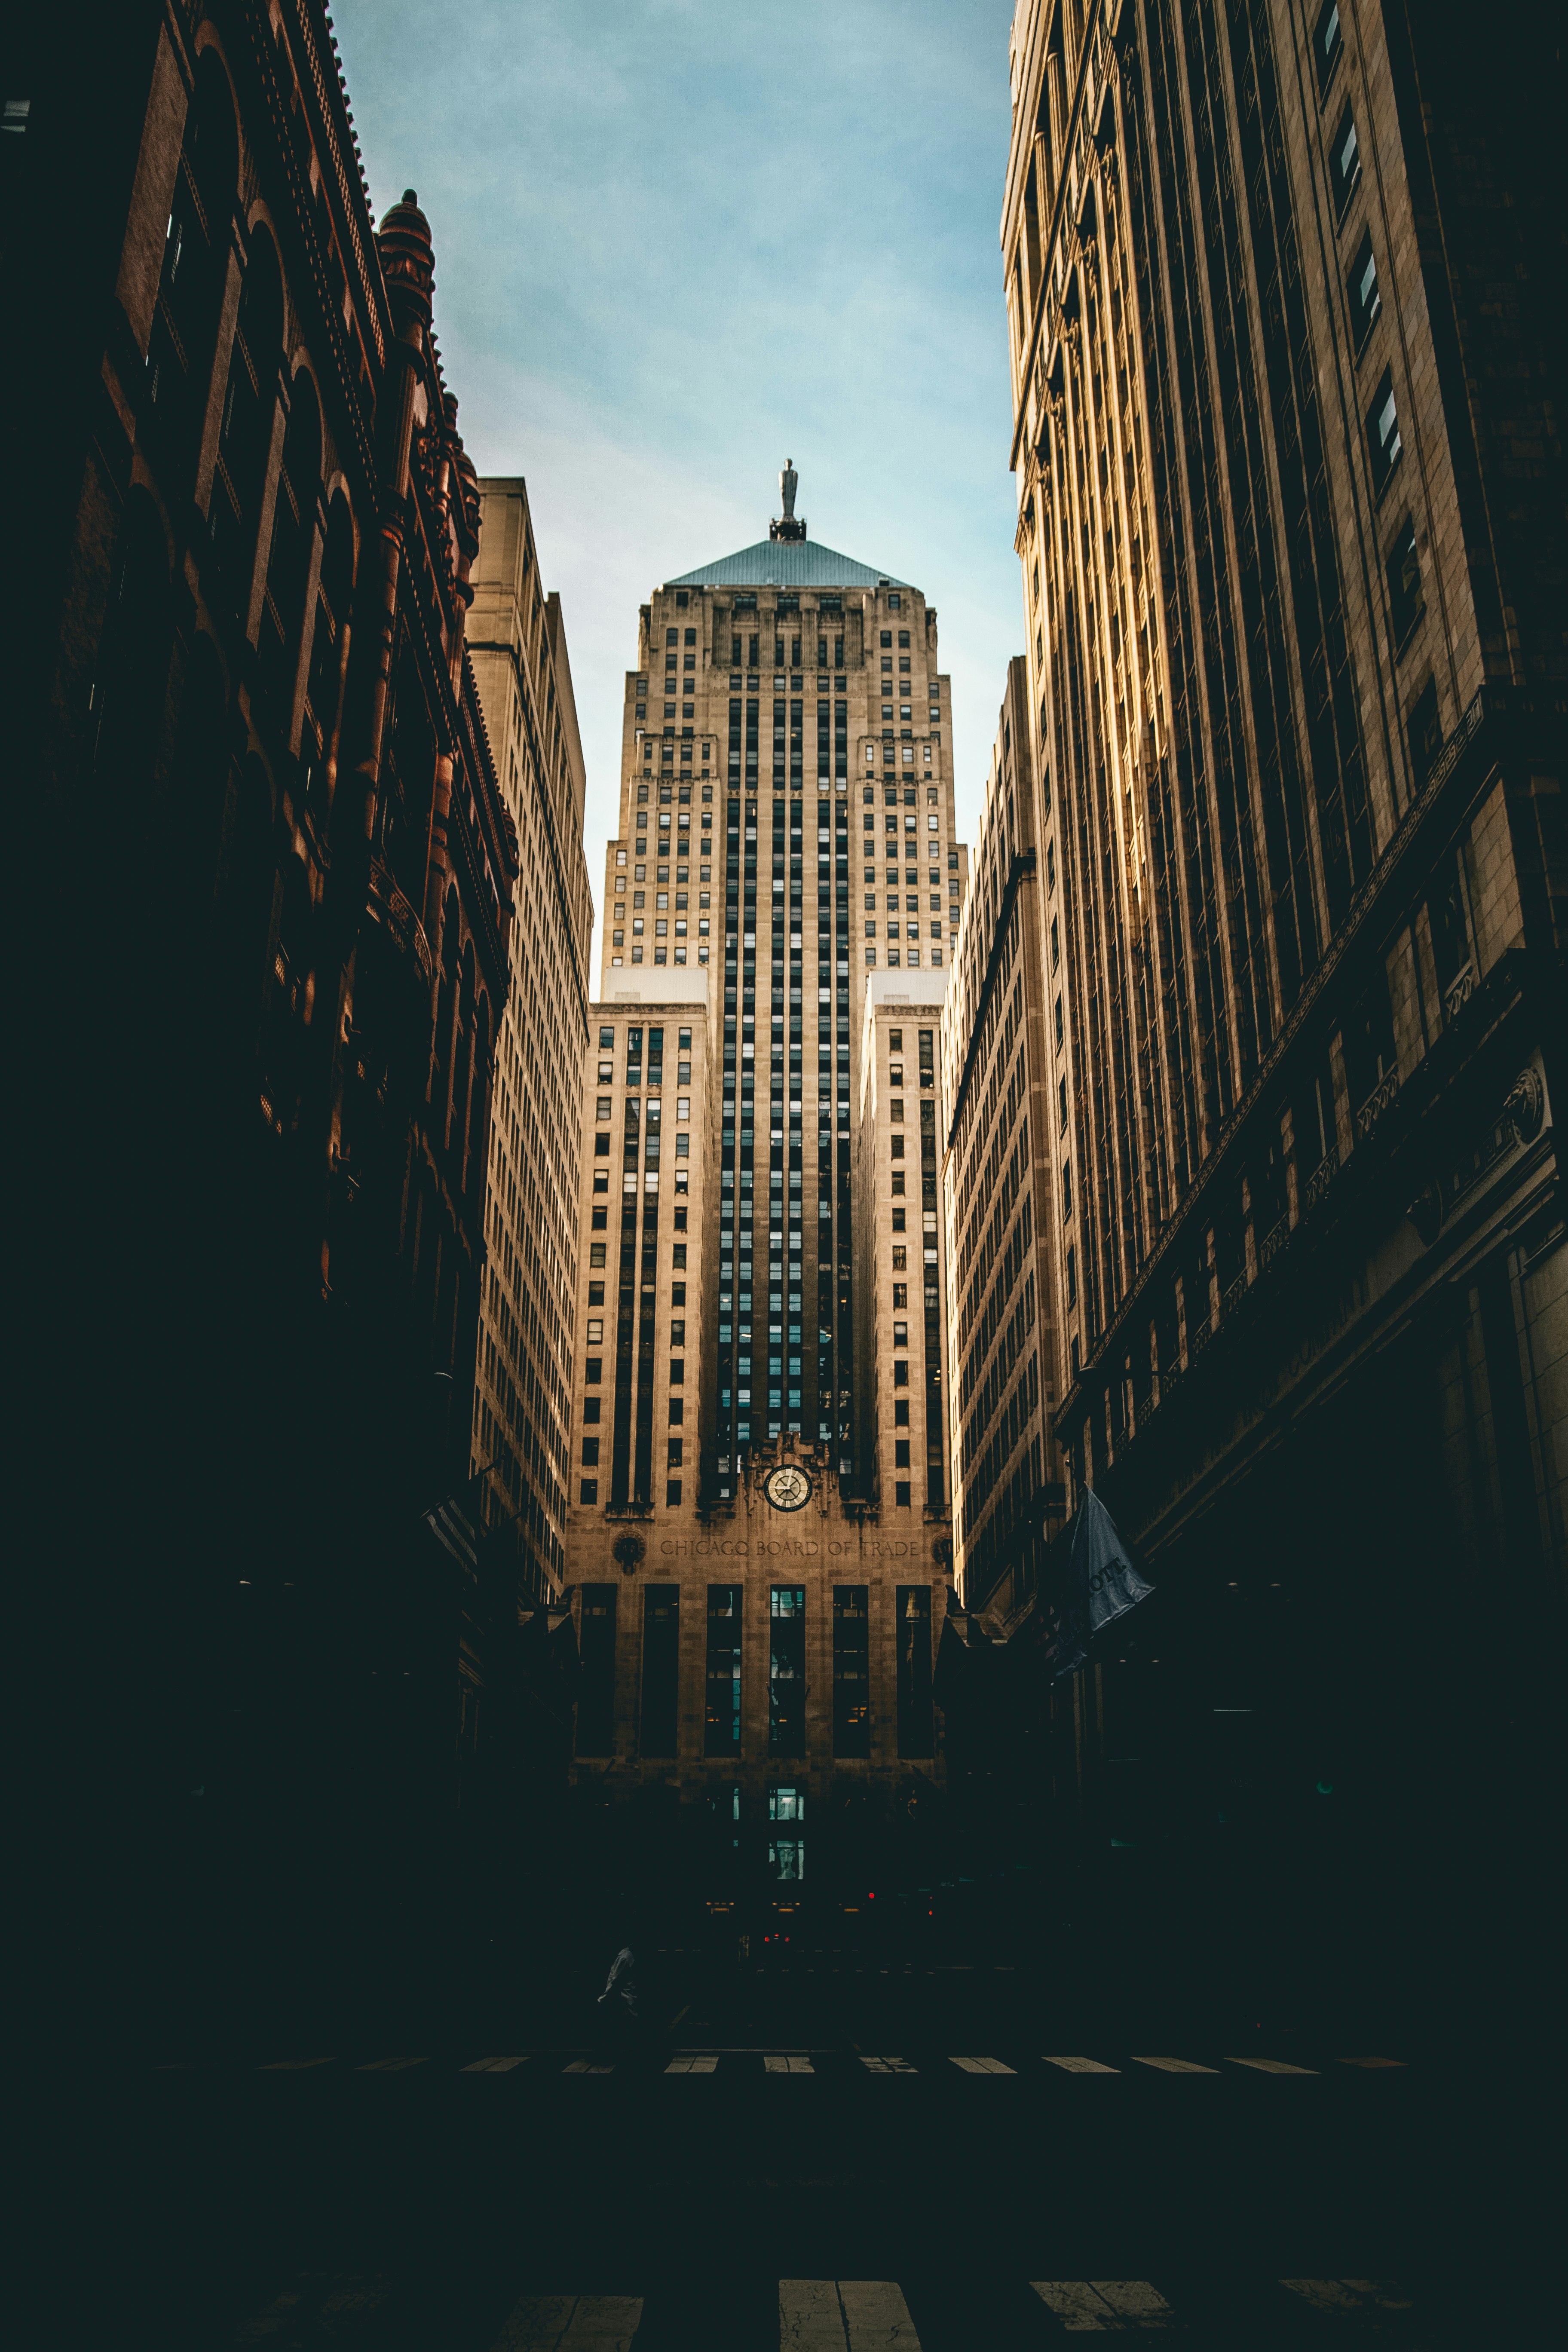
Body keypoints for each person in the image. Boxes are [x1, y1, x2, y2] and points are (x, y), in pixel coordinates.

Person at [596, 1939, 640, 2058]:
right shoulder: (627, 1955)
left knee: (628, 2023)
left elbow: (614, 1980)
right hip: (628, 1996)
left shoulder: (624, 1957)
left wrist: (601, 1999)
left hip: (625, 1997)